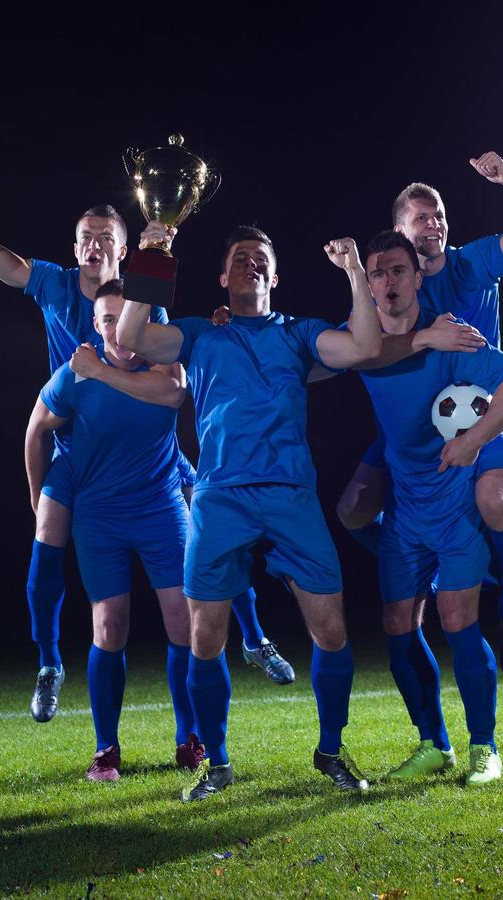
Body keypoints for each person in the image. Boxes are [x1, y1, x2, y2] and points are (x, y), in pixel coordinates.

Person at [0, 173, 292, 724]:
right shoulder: (55, 284)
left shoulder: (146, 302)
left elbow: (173, 372)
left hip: (150, 451)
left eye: (105, 237)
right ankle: (48, 665)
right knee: (46, 534)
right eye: (86, 236)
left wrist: (214, 324)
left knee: (213, 523)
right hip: (80, 452)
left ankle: (254, 636)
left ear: (123, 249)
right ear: (76, 247)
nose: (94, 245)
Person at [116, 223, 383, 802]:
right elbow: (132, 333)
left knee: (331, 631)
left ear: (276, 276)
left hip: (291, 496)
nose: (250, 265)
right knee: (204, 638)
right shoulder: (199, 334)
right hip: (220, 498)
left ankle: (331, 750)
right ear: (221, 277)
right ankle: (217, 763)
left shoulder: (298, 333)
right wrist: (153, 255)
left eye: (261, 258)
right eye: (239, 258)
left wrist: (356, 273)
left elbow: (364, 347)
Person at [337, 152, 503, 675]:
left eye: (437, 214)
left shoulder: (473, 261)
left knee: (493, 503)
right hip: (414, 425)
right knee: (351, 512)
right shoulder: (390, 280)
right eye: (420, 217)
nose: (432, 223)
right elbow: (362, 350)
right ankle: (432, 556)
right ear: (399, 229)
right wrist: (424, 338)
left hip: (483, 411)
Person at [357, 231, 503, 786]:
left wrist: (474, 440)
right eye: (378, 272)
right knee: (396, 628)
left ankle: (486, 747)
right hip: (405, 509)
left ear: (417, 278)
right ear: (368, 283)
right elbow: (304, 357)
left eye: (399, 271)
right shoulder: (359, 342)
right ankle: (434, 745)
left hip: (452, 502)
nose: (389, 280)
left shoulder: (452, 339)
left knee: (458, 619)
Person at [24, 280, 203, 780]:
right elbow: (36, 430)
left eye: (125, 319)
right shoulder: (73, 378)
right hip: (99, 515)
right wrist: (38, 500)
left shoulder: (161, 366)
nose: (118, 330)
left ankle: (190, 738)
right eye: (106, 320)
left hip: (161, 507)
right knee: (109, 627)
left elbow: (173, 394)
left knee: (184, 623)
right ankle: (106, 749)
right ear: (96, 326)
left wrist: (100, 369)